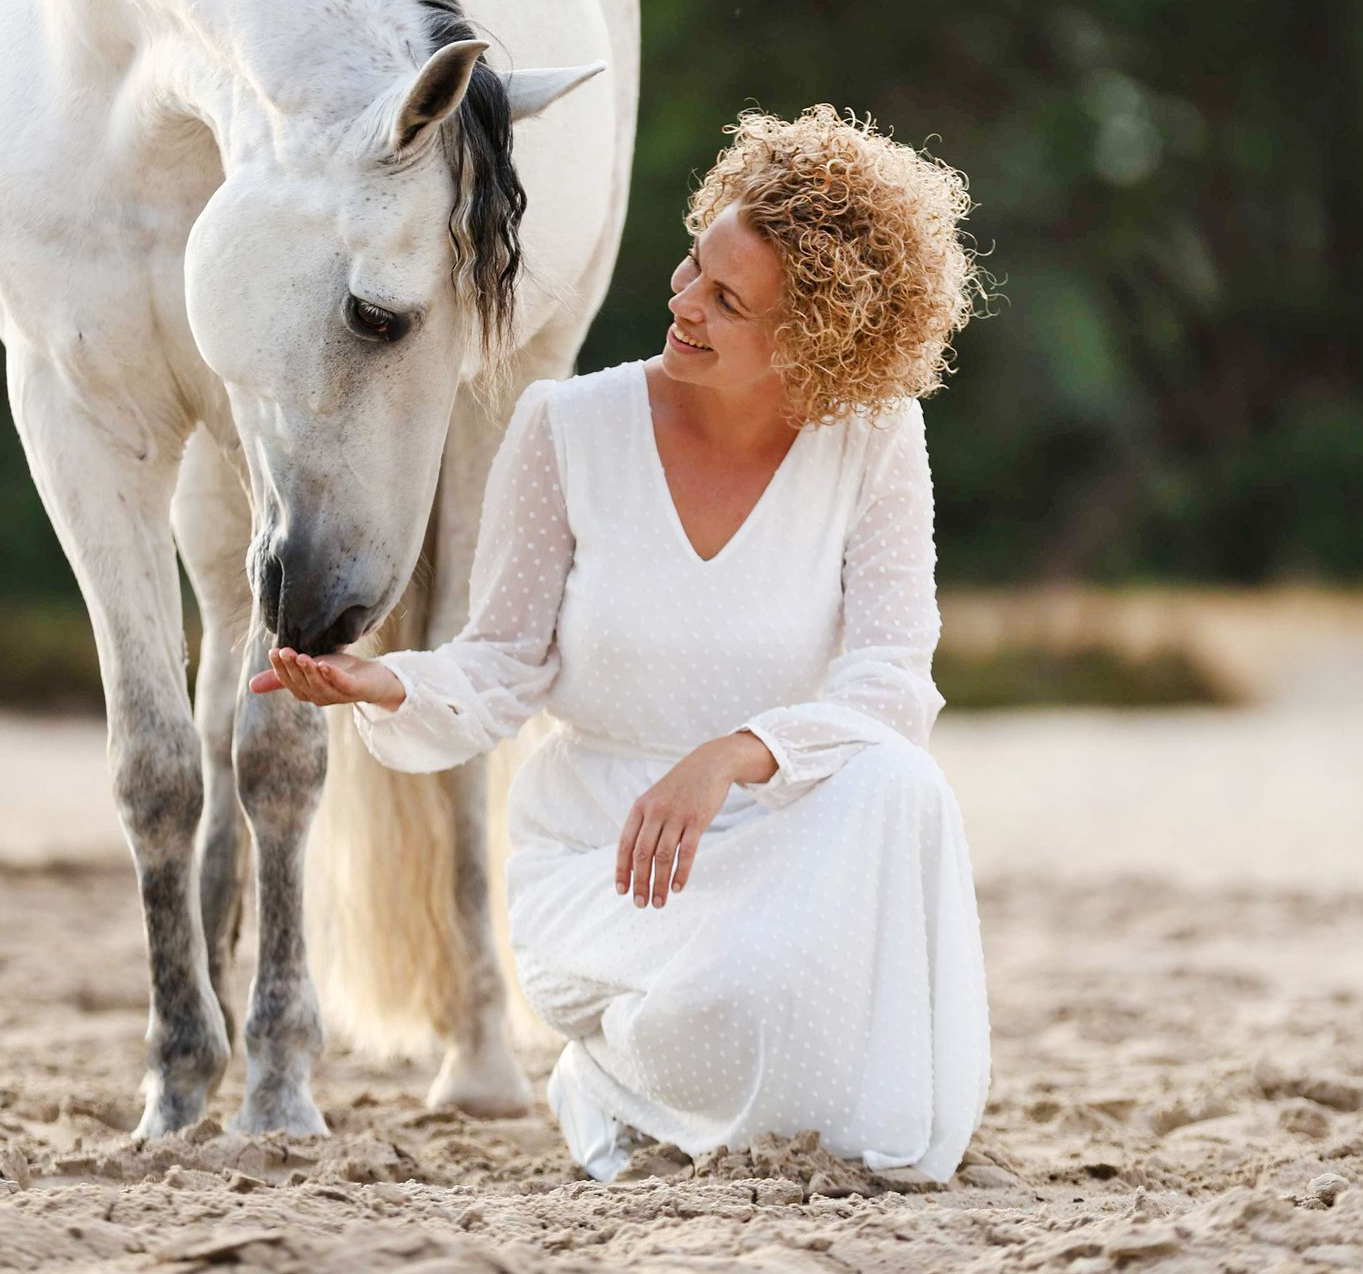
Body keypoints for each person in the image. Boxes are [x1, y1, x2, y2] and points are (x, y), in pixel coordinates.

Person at [249, 104, 994, 1184]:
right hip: (608, 861)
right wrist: (387, 684)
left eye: (728, 301)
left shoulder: (874, 439)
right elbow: (503, 662)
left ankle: (774, 1079)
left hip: (787, 838)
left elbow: (891, 681)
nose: (683, 301)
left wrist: (735, 754)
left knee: (902, 785)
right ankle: (603, 1079)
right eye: (696, 265)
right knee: (723, 1007)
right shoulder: (566, 427)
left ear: (815, 339)